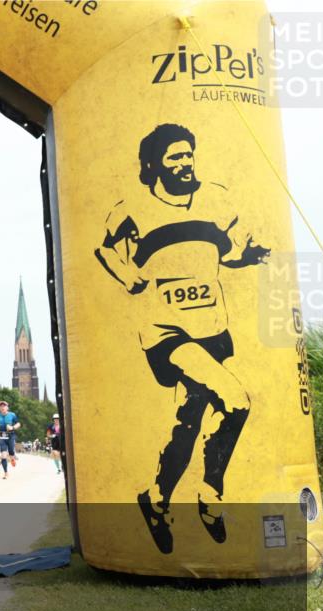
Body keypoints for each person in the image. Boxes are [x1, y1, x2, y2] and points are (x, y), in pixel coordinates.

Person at [95, 123, 267, 554]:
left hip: (213, 328)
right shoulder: (133, 207)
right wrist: (128, 274)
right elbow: (106, 248)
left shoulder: (216, 199)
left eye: (188, 154)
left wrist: (246, 257)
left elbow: (225, 253)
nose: (184, 162)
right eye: (174, 156)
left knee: (187, 426)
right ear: (153, 164)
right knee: (237, 399)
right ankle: (210, 496)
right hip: (166, 333)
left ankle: (154, 500)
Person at [0, 401, 21, 478]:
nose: (2, 407)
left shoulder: (12, 415)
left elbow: (18, 424)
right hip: (2, 437)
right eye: (1, 406)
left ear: (7, 407)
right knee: (3, 455)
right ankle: (6, 473)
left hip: (11, 436)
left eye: (4, 406)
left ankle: (12, 458)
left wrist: (12, 427)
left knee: (11, 452)